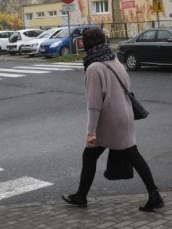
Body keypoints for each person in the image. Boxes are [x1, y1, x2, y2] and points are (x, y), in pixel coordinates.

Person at [62, 28, 164, 212]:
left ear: (86, 44)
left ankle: (81, 196)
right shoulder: (113, 59)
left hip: (110, 120)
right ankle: (153, 194)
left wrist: (91, 131)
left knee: (99, 154)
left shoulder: (94, 67)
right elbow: (127, 84)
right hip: (124, 114)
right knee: (128, 154)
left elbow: (94, 104)